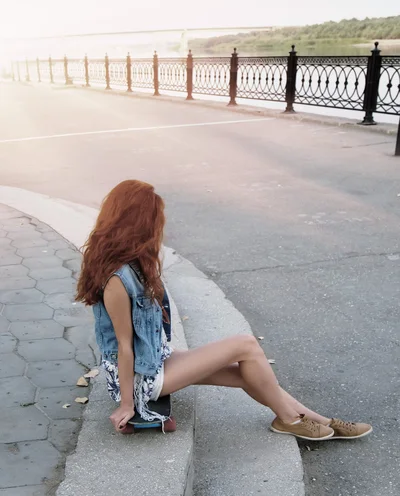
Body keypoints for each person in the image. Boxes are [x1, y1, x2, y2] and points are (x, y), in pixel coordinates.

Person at [76, 179, 372, 441]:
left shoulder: (134, 264)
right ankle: (289, 420)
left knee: (247, 372)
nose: (159, 226)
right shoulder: (117, 279)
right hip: (141, 379)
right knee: (245, 344)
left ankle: (321, 421)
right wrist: (127, 405)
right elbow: (124, 348)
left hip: (153, 360)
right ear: (137, 222)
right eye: (155, 219)